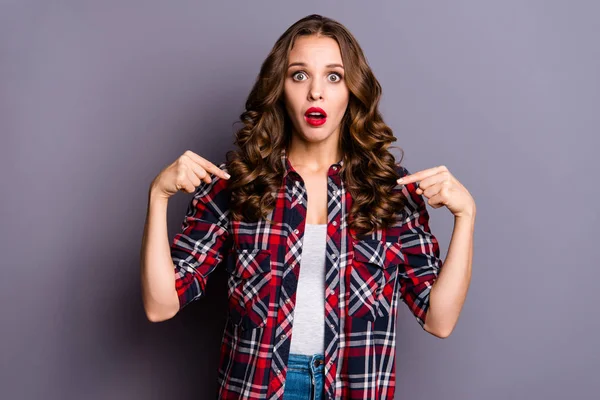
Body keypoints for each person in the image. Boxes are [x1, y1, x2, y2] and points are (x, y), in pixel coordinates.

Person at [140, 14, 476, 400]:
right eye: (299, 75)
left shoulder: (390, 191)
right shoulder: (238, 184)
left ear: (352, 90)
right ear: (279, 88)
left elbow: (440, 319)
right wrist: (158, 196)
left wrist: (466, 217)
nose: (316, 92)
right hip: (260, 390)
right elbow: (160, 305)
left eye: (333, 76)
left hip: (354, 388)